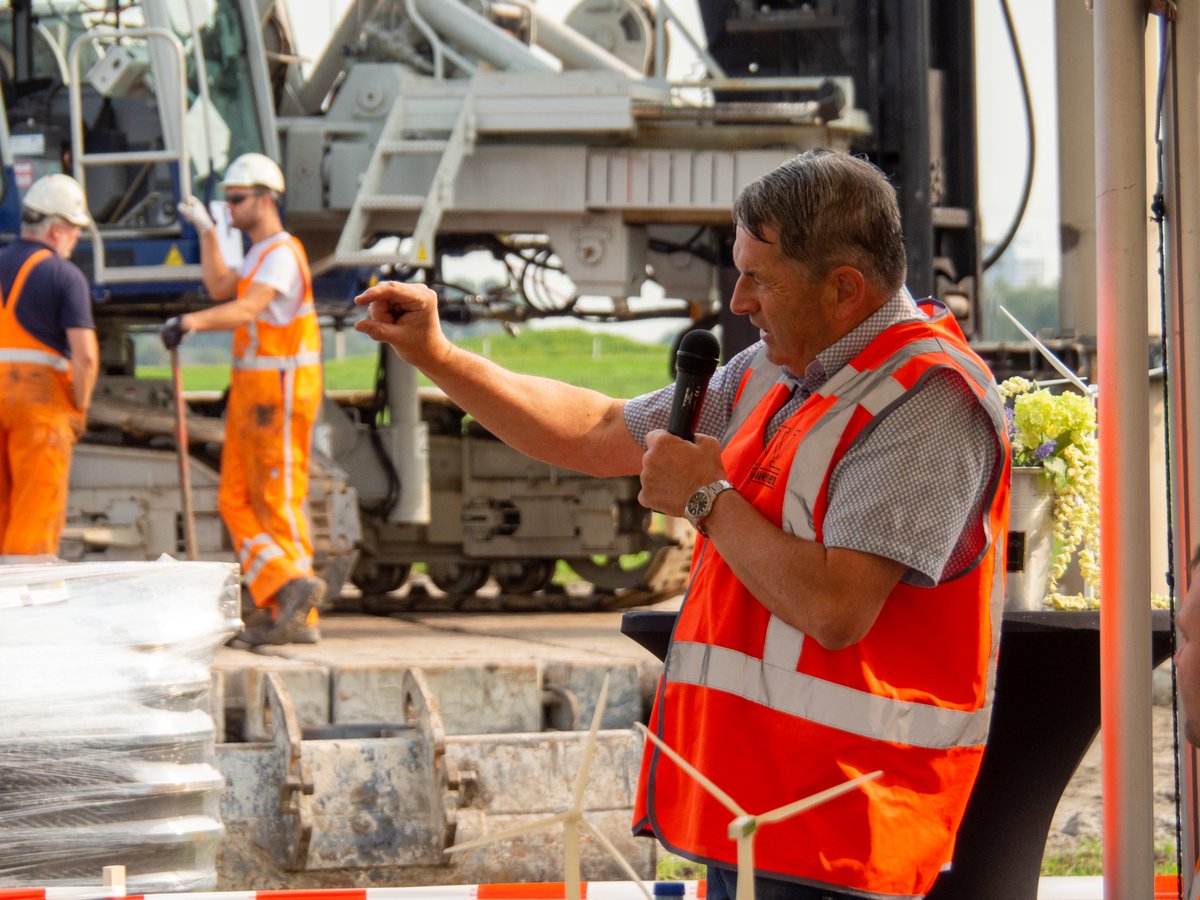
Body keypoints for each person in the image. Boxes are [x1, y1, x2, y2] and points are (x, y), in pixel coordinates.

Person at [354, 149, 1010, 898]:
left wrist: (707, 501)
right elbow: (597, 430)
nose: (737, 301)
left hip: (845, 829)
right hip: (749, 814)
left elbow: (836, 609)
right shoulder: (775, 370)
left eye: (758, 277)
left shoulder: (928, 398)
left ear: (844, 289)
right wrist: (437, 355)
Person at [164, 153, 325, 646]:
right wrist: (208, 231)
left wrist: (191, 323)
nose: (230, 206)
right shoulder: (257, 255)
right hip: (255, 394)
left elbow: (247, 307)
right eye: (227, 199)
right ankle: (282, 591)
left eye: (236, 199)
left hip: (279, 392)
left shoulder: (281, 252)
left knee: (277, 500)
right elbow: (219, 285)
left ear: (265, 198)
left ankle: (301, 616)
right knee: (234, 498)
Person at [0, 173, 98, 559]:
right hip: (39, 410)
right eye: (75, 230)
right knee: (35, 515)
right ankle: (27, 605)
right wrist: (79, 407)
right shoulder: (64, 276)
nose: (76, 238)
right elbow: (85, 355)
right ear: (56, 229)